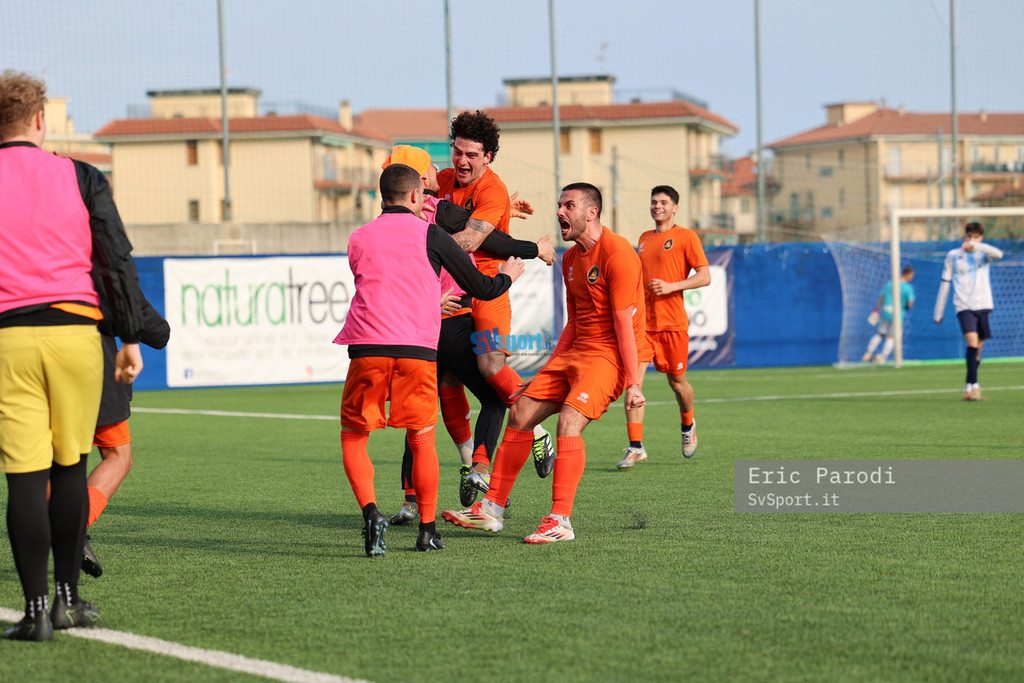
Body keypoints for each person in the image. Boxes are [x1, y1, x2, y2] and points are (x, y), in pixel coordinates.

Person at [0, 70, 145, 641]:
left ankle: (35, 612)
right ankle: (67, 601)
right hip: (76, 336)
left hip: (9, 339)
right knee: (69, 470)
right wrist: (129, 337)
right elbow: (115, 259)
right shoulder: (82, 176)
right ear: (40, 120)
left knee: (23, 479)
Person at [334, 163, 524, 556]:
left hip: (367, 348)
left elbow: (379, 286)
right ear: (415, 196)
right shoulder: (432, 234)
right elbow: (480, 286)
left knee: (354, 436)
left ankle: (371, 512)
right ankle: (427, 531)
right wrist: (508, 276)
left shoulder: (358, 237)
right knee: (422, 439)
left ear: (382, 197)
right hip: (416, 350)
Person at [442, 183, 645, 544]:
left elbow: (623, 325)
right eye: (559, 205)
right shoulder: (570, 259)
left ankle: (560, 520)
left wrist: (633, 383)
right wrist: (550, 368)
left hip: (609, 356)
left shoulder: (618, 254)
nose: (560, 212)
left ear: (592, 213)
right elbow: (574, 321)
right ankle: (491, 510)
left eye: (569, 206)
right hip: (576, 351)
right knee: (520, 412)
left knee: (569, 420)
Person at [382, 145, 554, 525]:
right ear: (418, 182)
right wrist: (532, 250)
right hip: (452, 312)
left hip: (420, 326)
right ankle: (498, 453)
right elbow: (485, 240)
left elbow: (482, 230)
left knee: (439, 398)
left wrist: (503, 214)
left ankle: (419, 496)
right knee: (478, 391)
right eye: (436, 163)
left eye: (468, 153)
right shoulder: (435, 208)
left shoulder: (380, 229)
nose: (451, 164)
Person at [617, 186, 710, 469]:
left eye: (664, 202)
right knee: (633, 384)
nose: (658, 206)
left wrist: (672, 286)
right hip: (643, 326)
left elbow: (704, 276)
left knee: (677, 384)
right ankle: (636, 447)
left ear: (675, 208)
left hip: (672, 324)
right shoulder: (644, 239)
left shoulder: (687, 237)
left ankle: (688, 423)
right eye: (654, 202)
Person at [81, 295, 170, 578]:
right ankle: (73, 529)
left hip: (19, 357)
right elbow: (119, 296)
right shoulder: (87, 265)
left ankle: (40, 595)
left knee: (41, 466)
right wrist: (157, 331)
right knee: (118, 456)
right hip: (87, 359)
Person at [933, 221, 1004, 401]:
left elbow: (999, 254)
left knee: (978, 350)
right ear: (964, 236)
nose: (971, 240)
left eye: (975, 237)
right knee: (972, 343)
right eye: (969, 236)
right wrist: (938, 311)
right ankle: (975, 387)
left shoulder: (984, 255)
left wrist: (976, 246)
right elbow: (945, 282)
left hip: (983, 305)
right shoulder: (953, 255)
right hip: (964, 306)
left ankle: (968, 386)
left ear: (981, 238)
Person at [861, 266, 915, 364]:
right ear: (908, 274)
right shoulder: (908, 288)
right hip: (897, 314)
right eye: (911, 276)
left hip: (886, 311)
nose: (911, 278)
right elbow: (910, 303)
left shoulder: (889, 284)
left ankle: (867, 354)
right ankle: (882, 357)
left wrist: (876, 310)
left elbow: (881, 298)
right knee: (891, 336)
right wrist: (906, 306)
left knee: (880, 334)